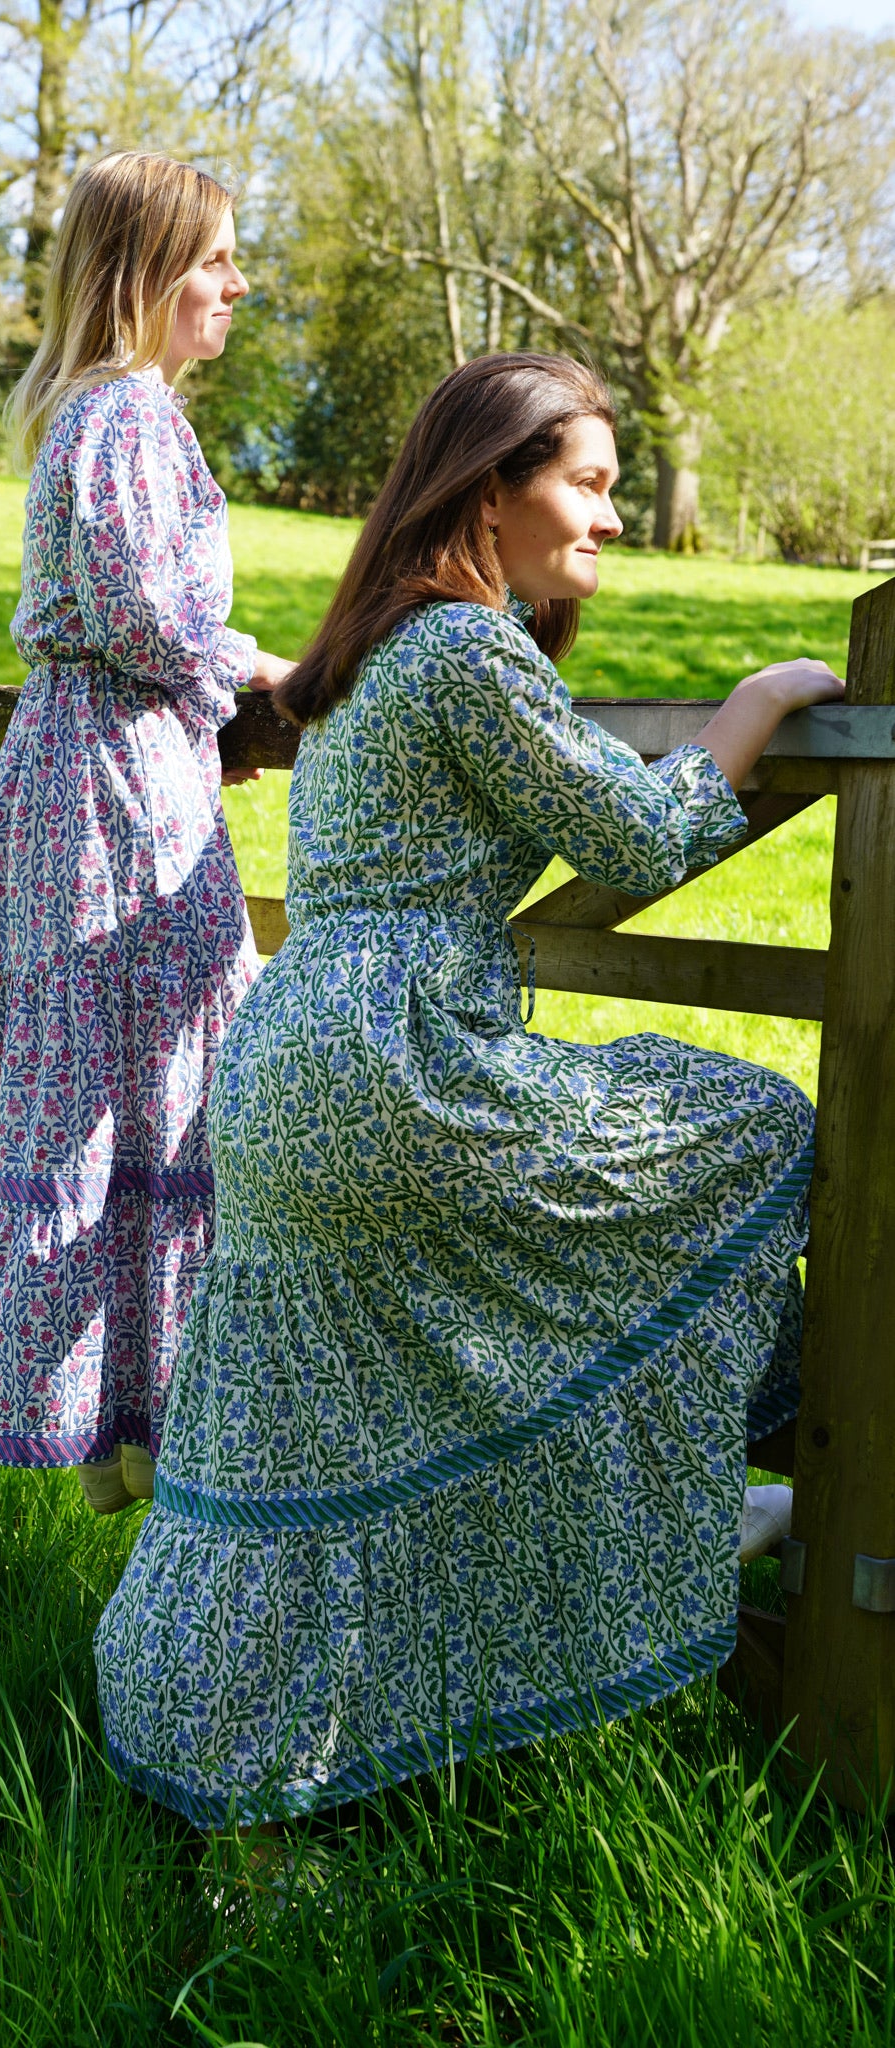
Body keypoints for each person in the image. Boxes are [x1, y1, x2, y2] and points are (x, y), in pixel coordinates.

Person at [94, 352, 841, 1826]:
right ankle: (730, 1496)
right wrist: (755, 704)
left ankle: (213, 1750)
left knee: (309, 1430)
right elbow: (634, 837)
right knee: (757, 1135)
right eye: (587, 482)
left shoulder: (375, 659)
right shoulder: (464, 649)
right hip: (397, 1070)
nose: (611, 519)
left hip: (288, 1061)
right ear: (488, 493)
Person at [0, 152, 294, 1514]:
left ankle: (119, 1417)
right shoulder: (127, 417)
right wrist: (257, 676)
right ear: (148, 272)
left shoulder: (102, 414)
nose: (235, 281)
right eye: (216, 257)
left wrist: (211, 690)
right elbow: (144, 616)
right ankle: (144, 1420)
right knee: (149, 1073)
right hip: (112, 784)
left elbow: (135, 614)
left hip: (98, 764)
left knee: (101, 1082)